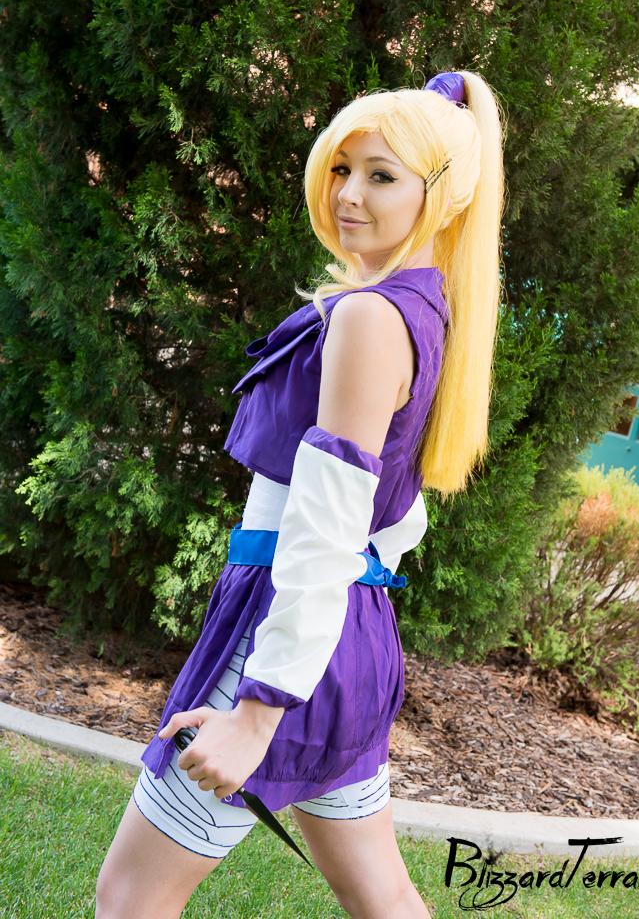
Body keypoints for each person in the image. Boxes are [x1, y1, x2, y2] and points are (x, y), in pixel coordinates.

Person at [95, 70, 503, 919]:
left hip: (285, 642)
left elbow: (325, 529)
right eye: (342, 168)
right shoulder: (423, 309)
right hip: (349, 637)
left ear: (442, 196)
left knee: (130, 896)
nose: (349, 194)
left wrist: (255, 713)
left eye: (381, 175)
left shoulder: (370, 319)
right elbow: (397, 512)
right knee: (383, 896)